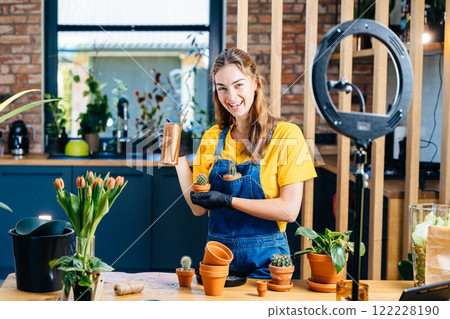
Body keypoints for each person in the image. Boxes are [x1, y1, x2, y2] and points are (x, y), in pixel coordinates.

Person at [174, 48, 317, 278]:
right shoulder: (212, 137)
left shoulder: (287, 135)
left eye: (239, 85)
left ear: (256, 84)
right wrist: (178, 157)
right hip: (219, 257)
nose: (231, 96)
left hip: (268, 260)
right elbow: (198, 207)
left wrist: (228, 201)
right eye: (222, 88)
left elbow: (289, 211)